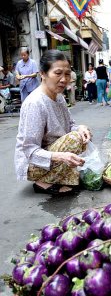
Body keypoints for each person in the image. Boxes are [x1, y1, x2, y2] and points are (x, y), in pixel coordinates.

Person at [14, 49, 92, 195]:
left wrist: (81, 128)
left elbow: (70, 126)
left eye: (67, 74)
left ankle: (59, 176)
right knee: (74, 139)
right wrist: (62, 156)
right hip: (33, 163)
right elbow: (29, 150)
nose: (64, 79)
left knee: (82, 135)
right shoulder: (36, 103)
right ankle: (42, 182)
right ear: (43, 74)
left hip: (52, 152)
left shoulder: (59, 97)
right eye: (58, 73)